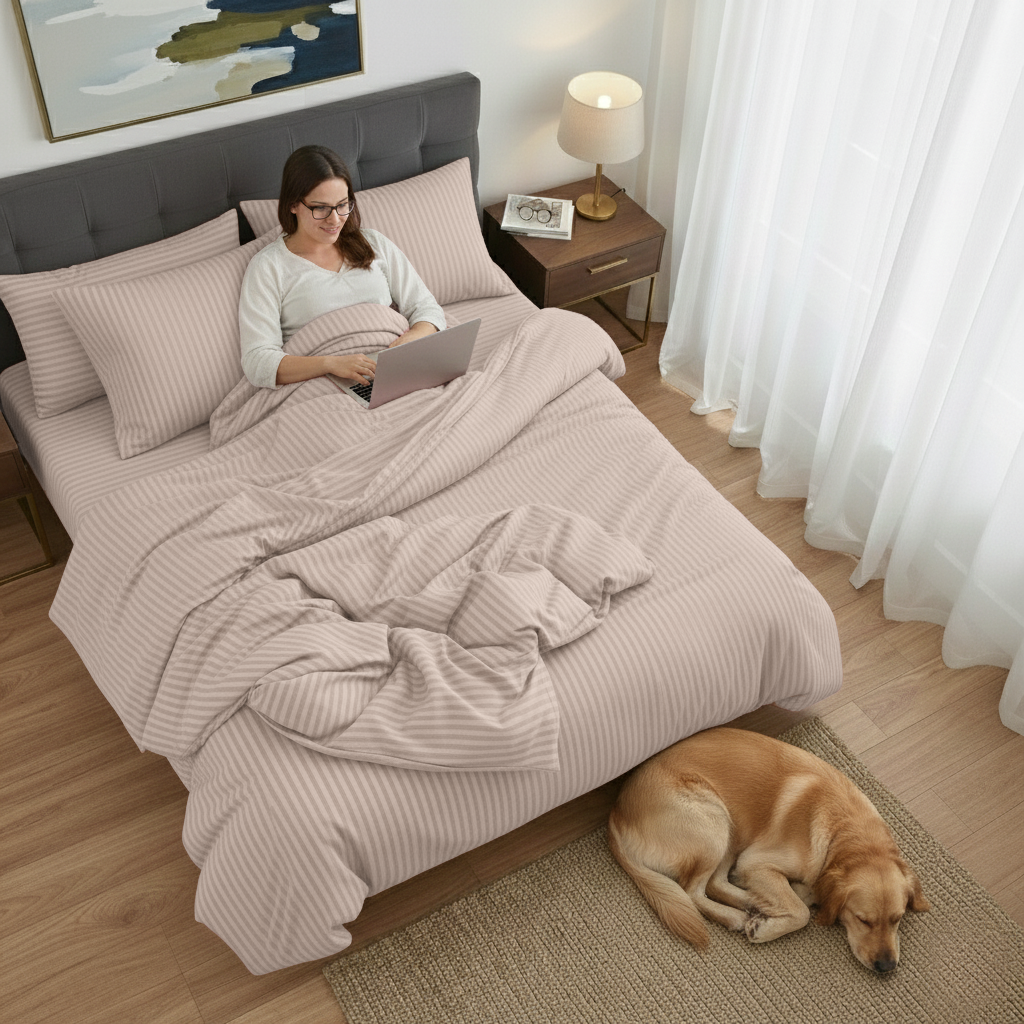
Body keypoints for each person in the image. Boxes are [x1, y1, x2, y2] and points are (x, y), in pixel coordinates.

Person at [238, 145, 445, 389]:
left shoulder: (373, 243)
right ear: (293, 204)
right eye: (321, 208)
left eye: (343, 205)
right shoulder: (268, 267)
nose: (335, 219)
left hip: (392, 371)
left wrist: (414, 338)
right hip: (322, 384)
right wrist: (330, 364)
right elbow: (258, 361)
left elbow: (426, 308)